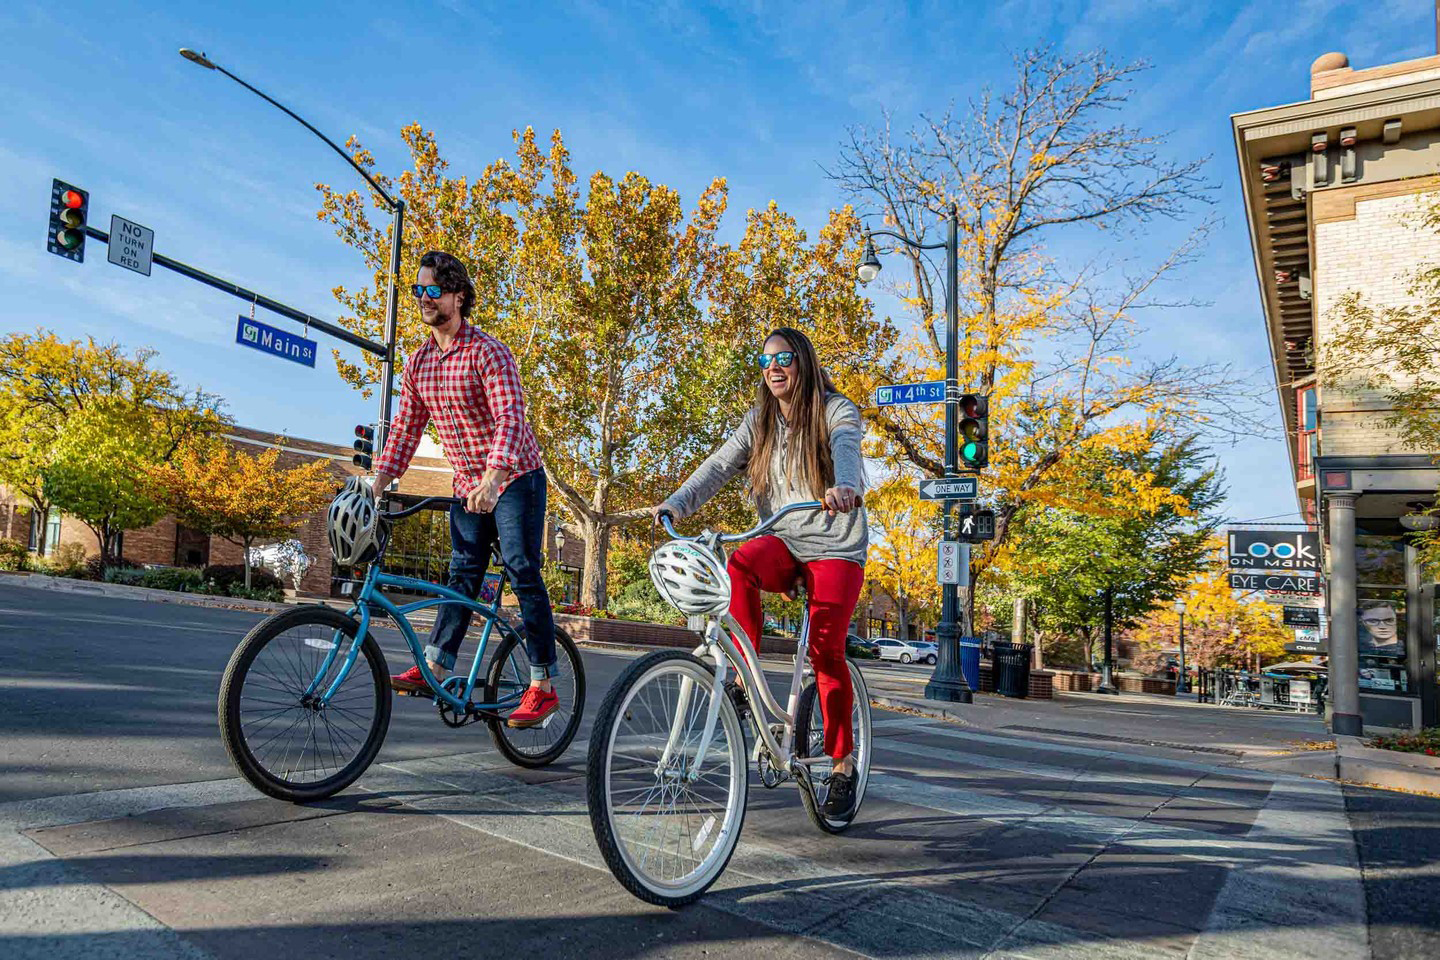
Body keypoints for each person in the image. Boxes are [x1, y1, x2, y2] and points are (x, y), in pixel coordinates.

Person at [652, 326, 867, 818]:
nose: (774, 368)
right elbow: (719, 465)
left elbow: (848, 448)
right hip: (786, 539)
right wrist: (677, 503)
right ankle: (745, 679)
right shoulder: (759, 422)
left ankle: (842, 764)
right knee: (741, 561)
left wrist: (846, 485)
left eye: (785, 358)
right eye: (766, 360)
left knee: (826, 653)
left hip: (835, 545)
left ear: (804, 363)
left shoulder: (836, 410)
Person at [372, 251, 559, 728]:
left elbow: (510, 419)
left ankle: (542, 684)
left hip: (515, 477)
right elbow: (405, 428)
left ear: (458, 295)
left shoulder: (488, 352)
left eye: (432, 290)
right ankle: (436, 662)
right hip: (466, 485)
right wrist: (378, 482)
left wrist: (494, 478)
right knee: (462, 574)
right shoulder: (419, 364)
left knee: (521, 569)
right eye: (418, 291)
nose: (423, 299)